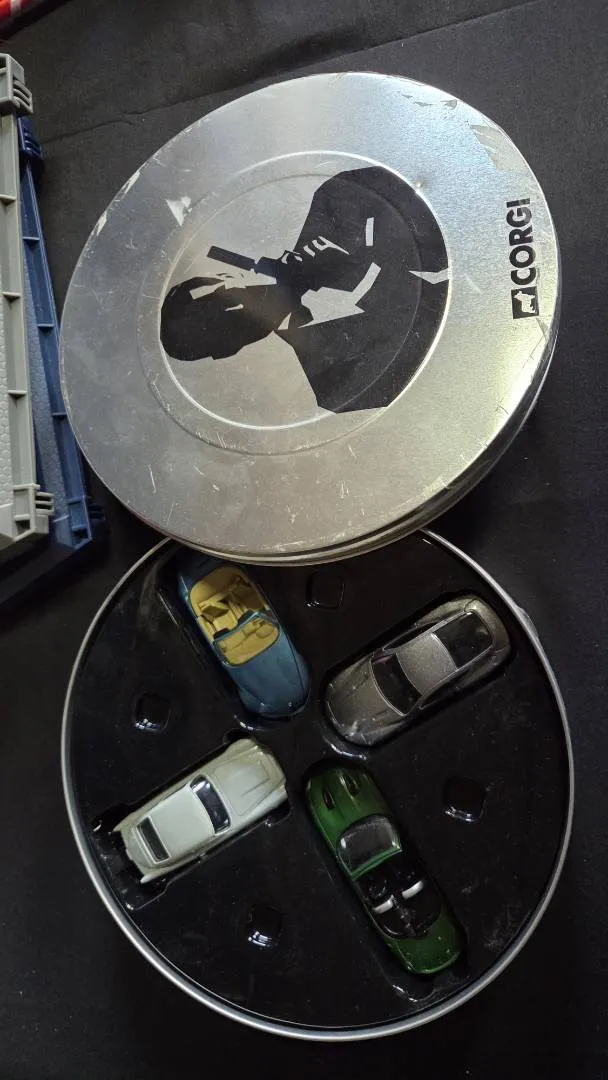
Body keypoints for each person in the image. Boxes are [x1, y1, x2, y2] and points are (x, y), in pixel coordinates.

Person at [160, 167, 447, 413]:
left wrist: (356, 253)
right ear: (229, 347)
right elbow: (441, 370)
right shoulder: (338, 384)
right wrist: (368, 268)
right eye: (215, 310)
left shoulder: (336, 201)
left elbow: (437, 200)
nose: (233, 287)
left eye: (217, 282)